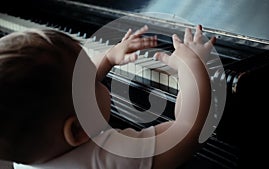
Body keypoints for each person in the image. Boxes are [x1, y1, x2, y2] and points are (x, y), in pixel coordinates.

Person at [0, 24, 215, 169]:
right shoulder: (108, 157)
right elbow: (189, 129)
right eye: (91, 78)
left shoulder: (28, 159)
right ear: (77, 130)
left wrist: (109, 58)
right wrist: (192, 67)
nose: (97, 73)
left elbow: (70, 91)